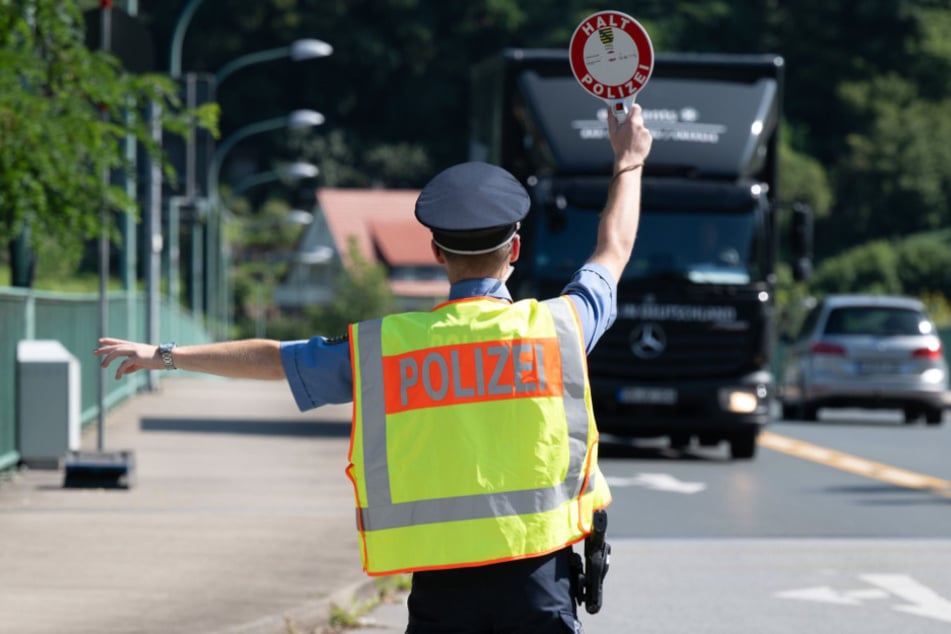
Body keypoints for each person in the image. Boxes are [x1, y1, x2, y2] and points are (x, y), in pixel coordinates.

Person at [94, 104, 652, 633]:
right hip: (539, 580)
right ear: (516, 250)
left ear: (436, 252)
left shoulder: (384, 349)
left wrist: (164, 356)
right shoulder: (558, 327)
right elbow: (613, 250)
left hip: (440, 588)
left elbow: (275, 358)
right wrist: (628, 161)